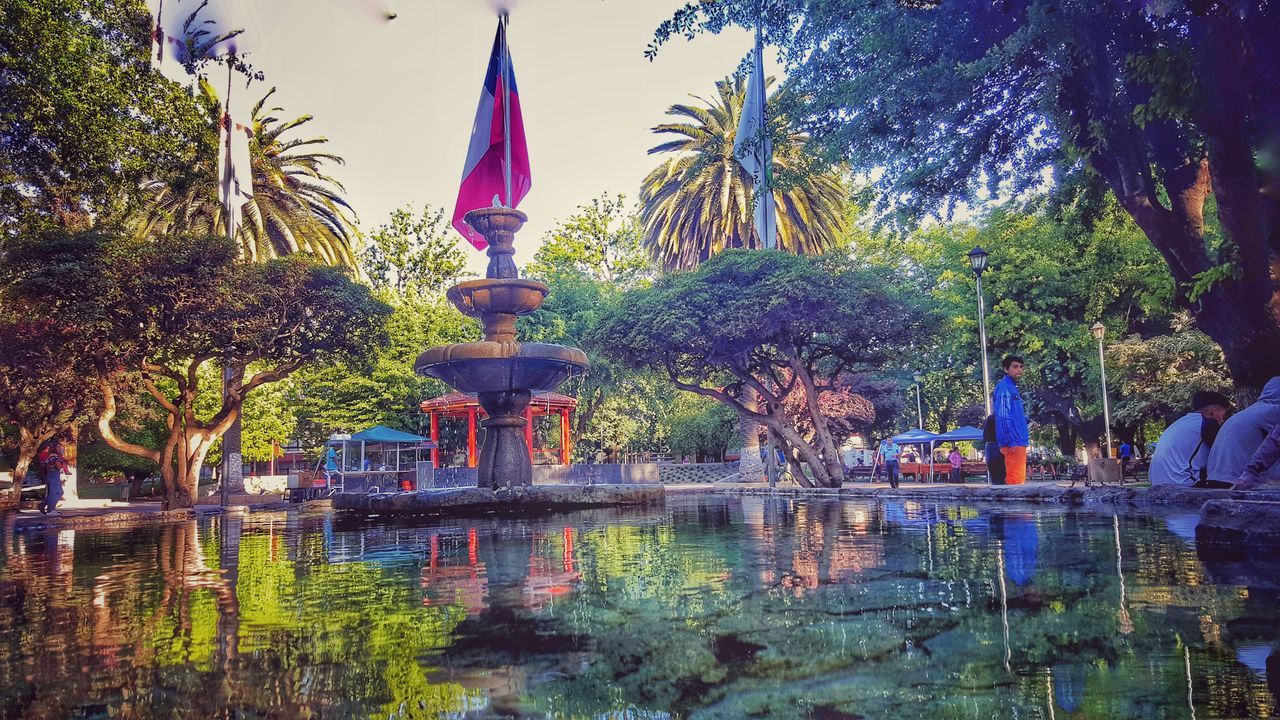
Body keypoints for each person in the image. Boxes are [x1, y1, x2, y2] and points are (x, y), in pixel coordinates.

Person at [1149, 390, 1232, 486]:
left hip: (1157, 483)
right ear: (1213, 411)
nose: (1222, 419)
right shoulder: (1208, 424)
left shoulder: (1180, 423)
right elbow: (1225, 456)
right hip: (1182, 482)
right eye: (1223, 414)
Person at [1207, 377, 1280, 485]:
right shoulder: (1273, 411)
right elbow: (1274, 443)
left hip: (1215, 477)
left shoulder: (1253, 409)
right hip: (1238, 480)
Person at [993, 355, 1030, 485]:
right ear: (1005, 369)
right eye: (1015, 367)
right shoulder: (1004, 387)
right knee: (1015, 481)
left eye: (1021, 367)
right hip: (1014, 441)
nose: (1019, 370)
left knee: (1017, 478)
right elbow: (1003, 415)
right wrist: (1010, 440)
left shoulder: (1011, 387)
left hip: (1018, 439)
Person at [36, 439, 68, 516]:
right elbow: (58, 466)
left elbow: (44, 465)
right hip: (53, 475)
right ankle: (50, 510)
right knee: (54, 493)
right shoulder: (54, 456)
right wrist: (62, 465)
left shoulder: (47, 455)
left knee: (59, 492)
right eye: (58, 447)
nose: (60, 448)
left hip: (51, 475)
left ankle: (43, 505)